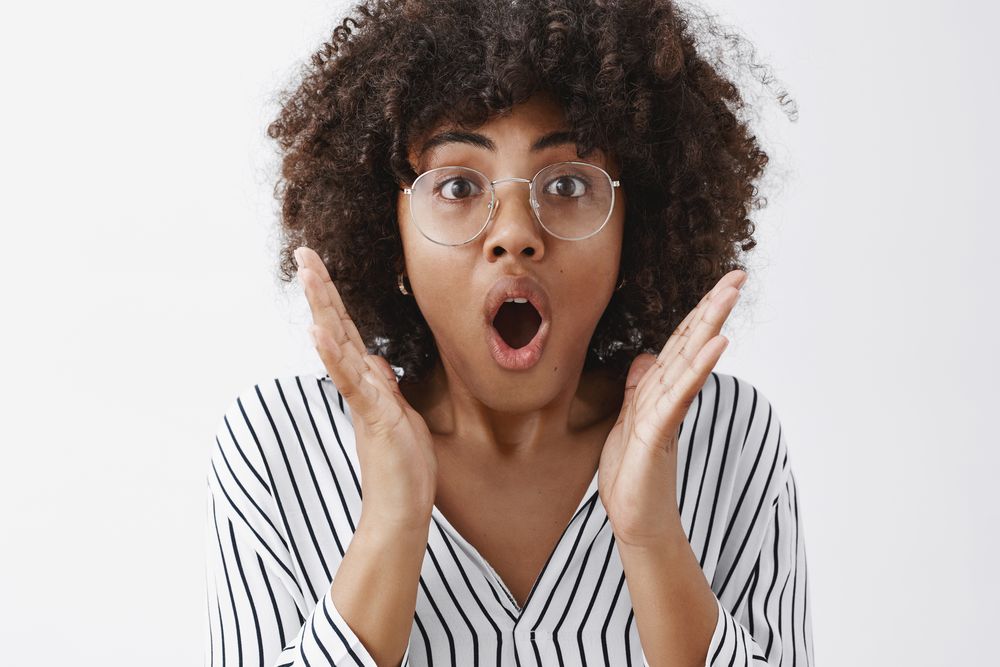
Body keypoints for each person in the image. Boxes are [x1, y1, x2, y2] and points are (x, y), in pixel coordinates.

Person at [205, 1, 813, 665]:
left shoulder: (728, 440)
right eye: (460, 184)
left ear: (630, 233)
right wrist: (392, 526)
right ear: (392, 232)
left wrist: (651, 537)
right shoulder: (277, 449)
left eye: (568, 183)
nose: (517, 234)